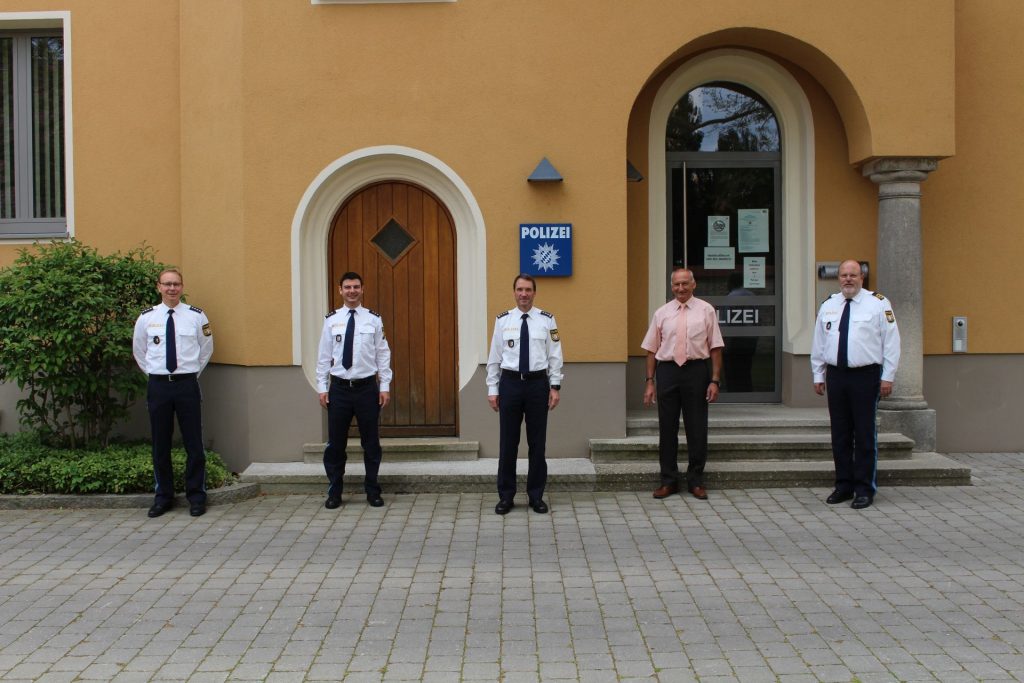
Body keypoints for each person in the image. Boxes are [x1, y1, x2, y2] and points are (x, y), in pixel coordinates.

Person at [811, 259, 900, 510]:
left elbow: (891, 343)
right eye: (843, 275)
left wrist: (888, 376)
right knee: (839, 434)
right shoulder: (829, 304)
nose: (848, 279)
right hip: (837, 375)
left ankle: (864, 488)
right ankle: (843, 485)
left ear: (862, 277)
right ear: (838, 278)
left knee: (863, 434)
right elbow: (819, 343)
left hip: (866, 376)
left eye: (853, 275)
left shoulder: (878, 304)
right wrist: (818, 375)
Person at [132, 268, 214, 518]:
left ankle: (196, 496)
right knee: (160, 443)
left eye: (176, 284)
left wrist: (187, 375)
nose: (171, 288)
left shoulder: (196, 316)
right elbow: (139, 351)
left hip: (186, 384)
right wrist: (157, 375)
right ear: (158, 287)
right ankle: (163, 496)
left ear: (182, 287)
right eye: (167, 284)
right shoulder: (146, 318)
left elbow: (206, 349)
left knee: (193, 443)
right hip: (158, 386)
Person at [641, 268, 724, 501]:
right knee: (667, 429)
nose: (680, 288)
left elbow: (716, 348)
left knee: (697, 428)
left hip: (696, 371)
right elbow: (651, 349)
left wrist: (714, 380)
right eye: (676, 284)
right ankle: (668, 481)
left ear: (693, 284)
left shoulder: (706, 310)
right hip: (667, 371)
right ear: (671, 286)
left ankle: (696, 481)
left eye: (685, 284)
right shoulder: (662, 313)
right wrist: (650, 382)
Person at [486, 274, 563, 515]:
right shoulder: (503, 321)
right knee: (508, 443)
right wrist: (492, 388)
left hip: (537, 385)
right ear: (514, 292)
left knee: (537, 444)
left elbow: (555, 355)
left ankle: (536, 495)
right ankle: (506, 496)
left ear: (534, 292)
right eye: (519, 289)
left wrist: (555, 386)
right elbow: (494, 358)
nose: (524, 294)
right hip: (510, 384)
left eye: (528, 290)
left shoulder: (547, 320)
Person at [316, 271, 392, 510]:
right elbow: (323, 357)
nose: (352, 291)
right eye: (347, 287)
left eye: (356, 287)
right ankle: (335, 492)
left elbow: (383, 354)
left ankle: (372, 490)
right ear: (340, 290)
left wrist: (385, 386)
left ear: (362, 289)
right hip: (339, 389)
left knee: (371, 444)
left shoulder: (373, 320)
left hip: (367, 389)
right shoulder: (331, 320)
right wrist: (322, 387)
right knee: (336, 446)